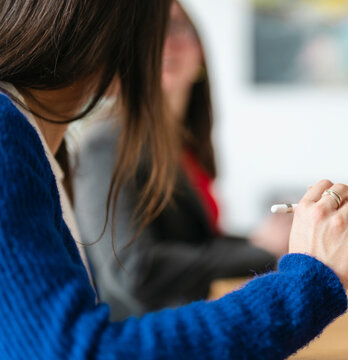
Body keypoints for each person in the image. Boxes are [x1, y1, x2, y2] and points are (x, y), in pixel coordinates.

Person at [0, 1, 348, 358]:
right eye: (158, 25)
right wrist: (305, 281)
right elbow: (83, 347)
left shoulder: (27, 143)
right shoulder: (2, 132)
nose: (163, 44)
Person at [74, 2, 289, 320]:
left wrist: (264, 239)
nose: (164, 40)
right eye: (149, 32)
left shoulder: (184, 144)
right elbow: (134, 271)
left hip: (197, 320)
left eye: (175, 26)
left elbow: (196, 242)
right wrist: (262, 250)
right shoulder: (104, 144)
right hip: (146, 340)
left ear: (199, 52)